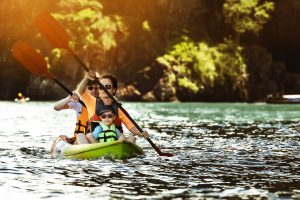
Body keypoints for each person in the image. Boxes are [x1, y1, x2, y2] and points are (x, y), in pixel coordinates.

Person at [77, 70, 149, 144]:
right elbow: (80, 92)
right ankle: (89, 153)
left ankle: (120, 152)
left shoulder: (119, 109)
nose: (104, 89)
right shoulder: (92, 102)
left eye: (107, 87)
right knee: (80, 135)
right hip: (94, 143)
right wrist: (86, 77)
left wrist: (142, 133)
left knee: (132, 138)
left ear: (114, 90)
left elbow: (132, 128)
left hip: (113, 143)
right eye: (101, 87)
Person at [52, 79, 100, 145]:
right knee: (64, 137)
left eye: (96, 88)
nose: (94, 90)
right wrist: (68, 99)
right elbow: (56, 107)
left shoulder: (103, 104)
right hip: (80, 139)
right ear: (85, 90)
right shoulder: (78, 103)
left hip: (96, 138)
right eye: (90, 88)